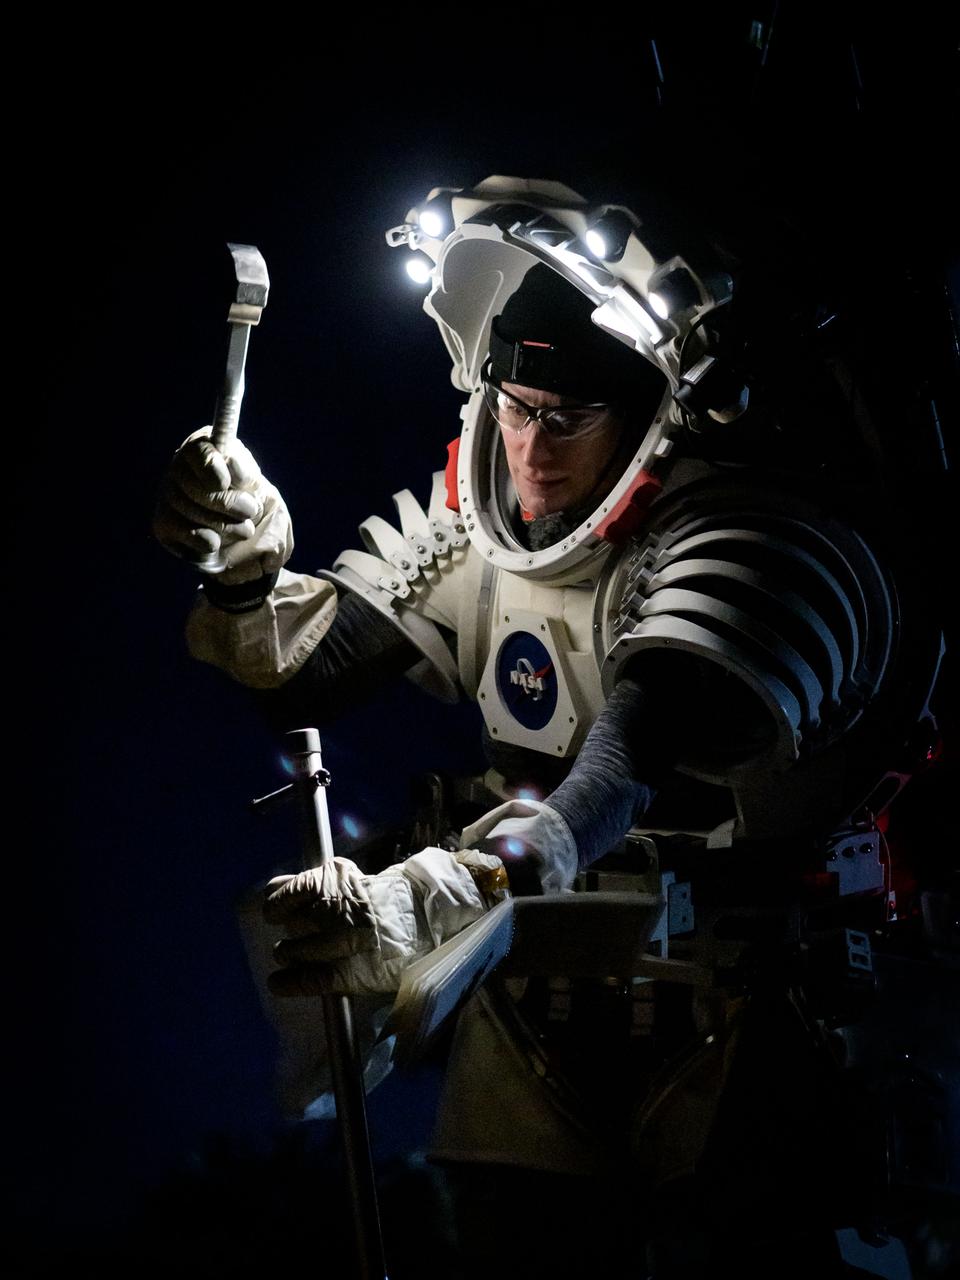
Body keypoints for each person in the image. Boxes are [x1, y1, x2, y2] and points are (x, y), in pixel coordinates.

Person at [154, 177, 949, 1276]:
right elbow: (303, 676)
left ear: (644, 416)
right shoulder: (472, 521)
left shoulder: (750, 530)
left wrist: (439, 892)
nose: (528, 449)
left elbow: (623, 761)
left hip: (748, 1011)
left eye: (566, 419)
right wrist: (246, 573)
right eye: (515, 409)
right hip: (528, 1013)